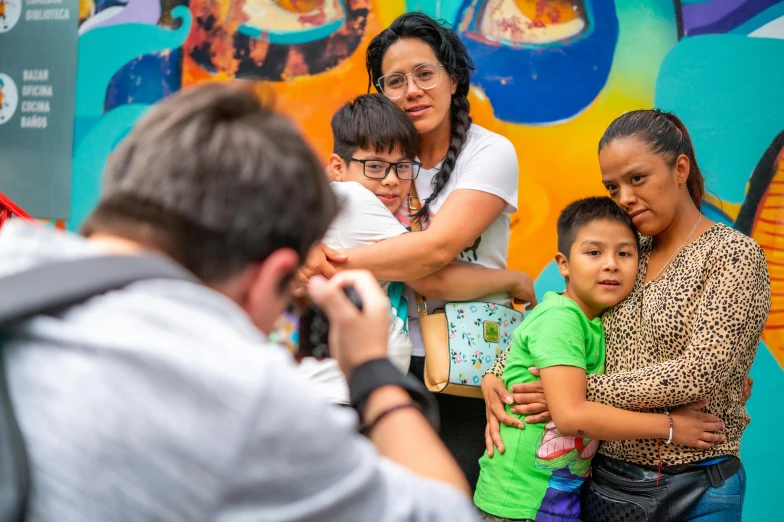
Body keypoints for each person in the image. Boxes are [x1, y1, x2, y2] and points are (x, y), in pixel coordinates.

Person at [0, 83, 481, 521]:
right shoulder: (243, 398)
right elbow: (443, 512)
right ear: (274, 275)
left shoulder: (14, 255)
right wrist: (374, 374)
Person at [483, 109, 770, 520]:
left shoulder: (731, 254)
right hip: (606, 485)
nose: (625, 198)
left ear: (680, 168)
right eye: (613, 187)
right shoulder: (625, 249)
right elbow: (562, 314)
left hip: (696, 482)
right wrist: (499, 373)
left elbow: (698, 372)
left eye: (637, 179)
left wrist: (571, 393)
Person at [298, 12, 528, 489]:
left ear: (454, 77)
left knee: (450, 497)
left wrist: (327, 263)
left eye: (425, 74)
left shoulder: (488, 154)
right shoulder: (374, 160)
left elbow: (432, 256)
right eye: (395, 80)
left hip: (470, 360)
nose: (412, 90)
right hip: (393, 357)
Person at [474, 196, 726, 522]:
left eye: (624, 253)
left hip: (552, 500)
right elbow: (570, 415)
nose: (611, 264)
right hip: (517, 505)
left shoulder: (594, 319)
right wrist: (671, 427)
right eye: (594, 252)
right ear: (563, 264)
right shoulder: (561, 319)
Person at [304, 93, 539, 404]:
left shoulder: (333, 203)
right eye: (375, 166)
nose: (391, 180)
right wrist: (513, 281)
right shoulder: (355, 200)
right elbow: (428, 273)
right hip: (340, 393)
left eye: (402, 167)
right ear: (337, 167)